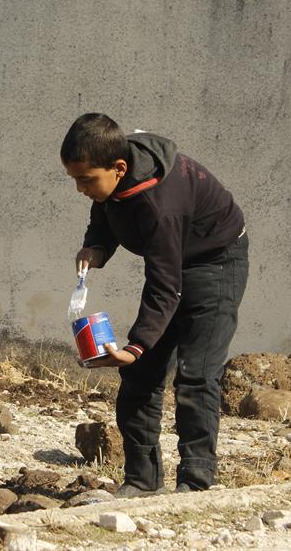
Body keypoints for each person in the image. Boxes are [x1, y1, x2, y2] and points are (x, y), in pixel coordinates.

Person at [60, 113, 248, 496]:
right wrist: (97, 244)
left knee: (195, 376)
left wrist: (136, 345)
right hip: (175, 264)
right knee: (140, 377)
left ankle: (195, 484)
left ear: (120, 168)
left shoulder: (161, 205)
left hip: (216, 262)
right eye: (75, 179)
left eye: (85, 179)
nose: (80, 189)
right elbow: (105, 205)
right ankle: (142, 481)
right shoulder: (114, 174)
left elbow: (165, 285)